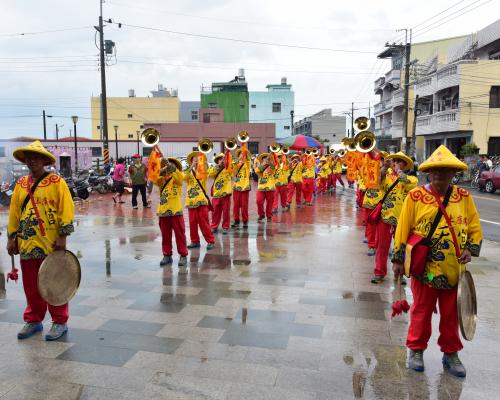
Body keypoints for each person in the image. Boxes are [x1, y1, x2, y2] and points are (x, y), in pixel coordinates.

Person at [392, 145, 482, 377]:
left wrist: (470, 250)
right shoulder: (416, 196)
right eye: (435, 170)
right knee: (421, 311)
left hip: (454, 269)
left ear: (454, 173)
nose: (440, 174)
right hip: (425, 268)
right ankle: (416, 349)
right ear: (428, 173)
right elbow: (403, 228)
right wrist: (399, 259)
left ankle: (451, 353)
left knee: (452, 314)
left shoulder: (464, 197)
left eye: (445, 170)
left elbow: (473, 227)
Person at [7, 140, 75, 341]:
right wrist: (12, 237)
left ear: (44, 160)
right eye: (29, 158)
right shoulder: (20, 184)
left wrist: (62, 236)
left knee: (55, 283)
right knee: (31, 285)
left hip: (51, 243)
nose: (32, 161)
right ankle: (34, 320)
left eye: (36, 158)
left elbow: (66, 209)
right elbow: (14, 213)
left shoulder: (56, 182)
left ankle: (60, 321)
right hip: (27, 242)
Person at [372, 152, 418, 284]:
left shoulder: (412, 179)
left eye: (400, 161)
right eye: (395, 161)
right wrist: (384, 168)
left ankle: (400, 274)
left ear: (405, 165)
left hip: (403, 219)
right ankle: (379, 273)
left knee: (401, 248)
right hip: (385, 216)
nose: (396, 163)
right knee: (382, 246)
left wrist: (398, 171)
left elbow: (405, 181)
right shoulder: (386, 175)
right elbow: (378, 181)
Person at [156, 157, 188, 270]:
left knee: (180, 234)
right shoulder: (163, 177)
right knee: (165, 235)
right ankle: (167, 254)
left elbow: (180, 179)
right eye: (168, 165)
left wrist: (173, 169)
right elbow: (155, 180)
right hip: (163, 210)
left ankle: (183, 255)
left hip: (176, 210)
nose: (169, 167)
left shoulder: (178, 175)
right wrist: (162, 169)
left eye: (172, 165)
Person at [184, 151, 215, 250]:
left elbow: (207, 170)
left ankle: (210, 241)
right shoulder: (188, 172)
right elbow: (184, 177)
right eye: (194, 159)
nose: (196, 160)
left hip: (201, 200)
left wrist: (201, 160)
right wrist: (192, 165)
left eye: (197, 159)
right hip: (191, 200)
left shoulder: (203, 171)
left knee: (204, 222)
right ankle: (194, 241)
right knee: (192, 223)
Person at [209, 153, 232, 234]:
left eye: (223, 159)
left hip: (226, 194)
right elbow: (210, 174)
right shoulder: (215, 168)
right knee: (215, 212)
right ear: (217, 161)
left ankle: (225, 226)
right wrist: (218, 166)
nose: (222, 160)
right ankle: (214, 226)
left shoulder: (228, 168)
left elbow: (233, 171)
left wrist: (228, 161)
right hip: (216, 194)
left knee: (226, 212)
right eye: (220, 159)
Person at [232, 147, 251, 229]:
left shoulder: (248, 163)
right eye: (240, 154)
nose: (242, 156)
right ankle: (236, 220)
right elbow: (233, 174)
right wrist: (236, 162)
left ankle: (245, 221)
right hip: (236, 187)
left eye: (243, 154)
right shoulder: (235, 163)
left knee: (244, 205)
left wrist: (244, 152)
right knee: (236, 205)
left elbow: (247, 160)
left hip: (245, 187)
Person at [255, 153, 276, 222]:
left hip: (270, 187)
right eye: (264, 159)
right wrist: (264, 164)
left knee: (270, 203)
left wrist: (270, 163)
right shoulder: (259, 166)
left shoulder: (272, 166)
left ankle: (269, 215)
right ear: (262, 160)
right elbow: (257, 171)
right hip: (261, 187)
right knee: (259, 201)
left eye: (267, 159)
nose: (266, 160)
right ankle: (261, 215)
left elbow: (273, 169)